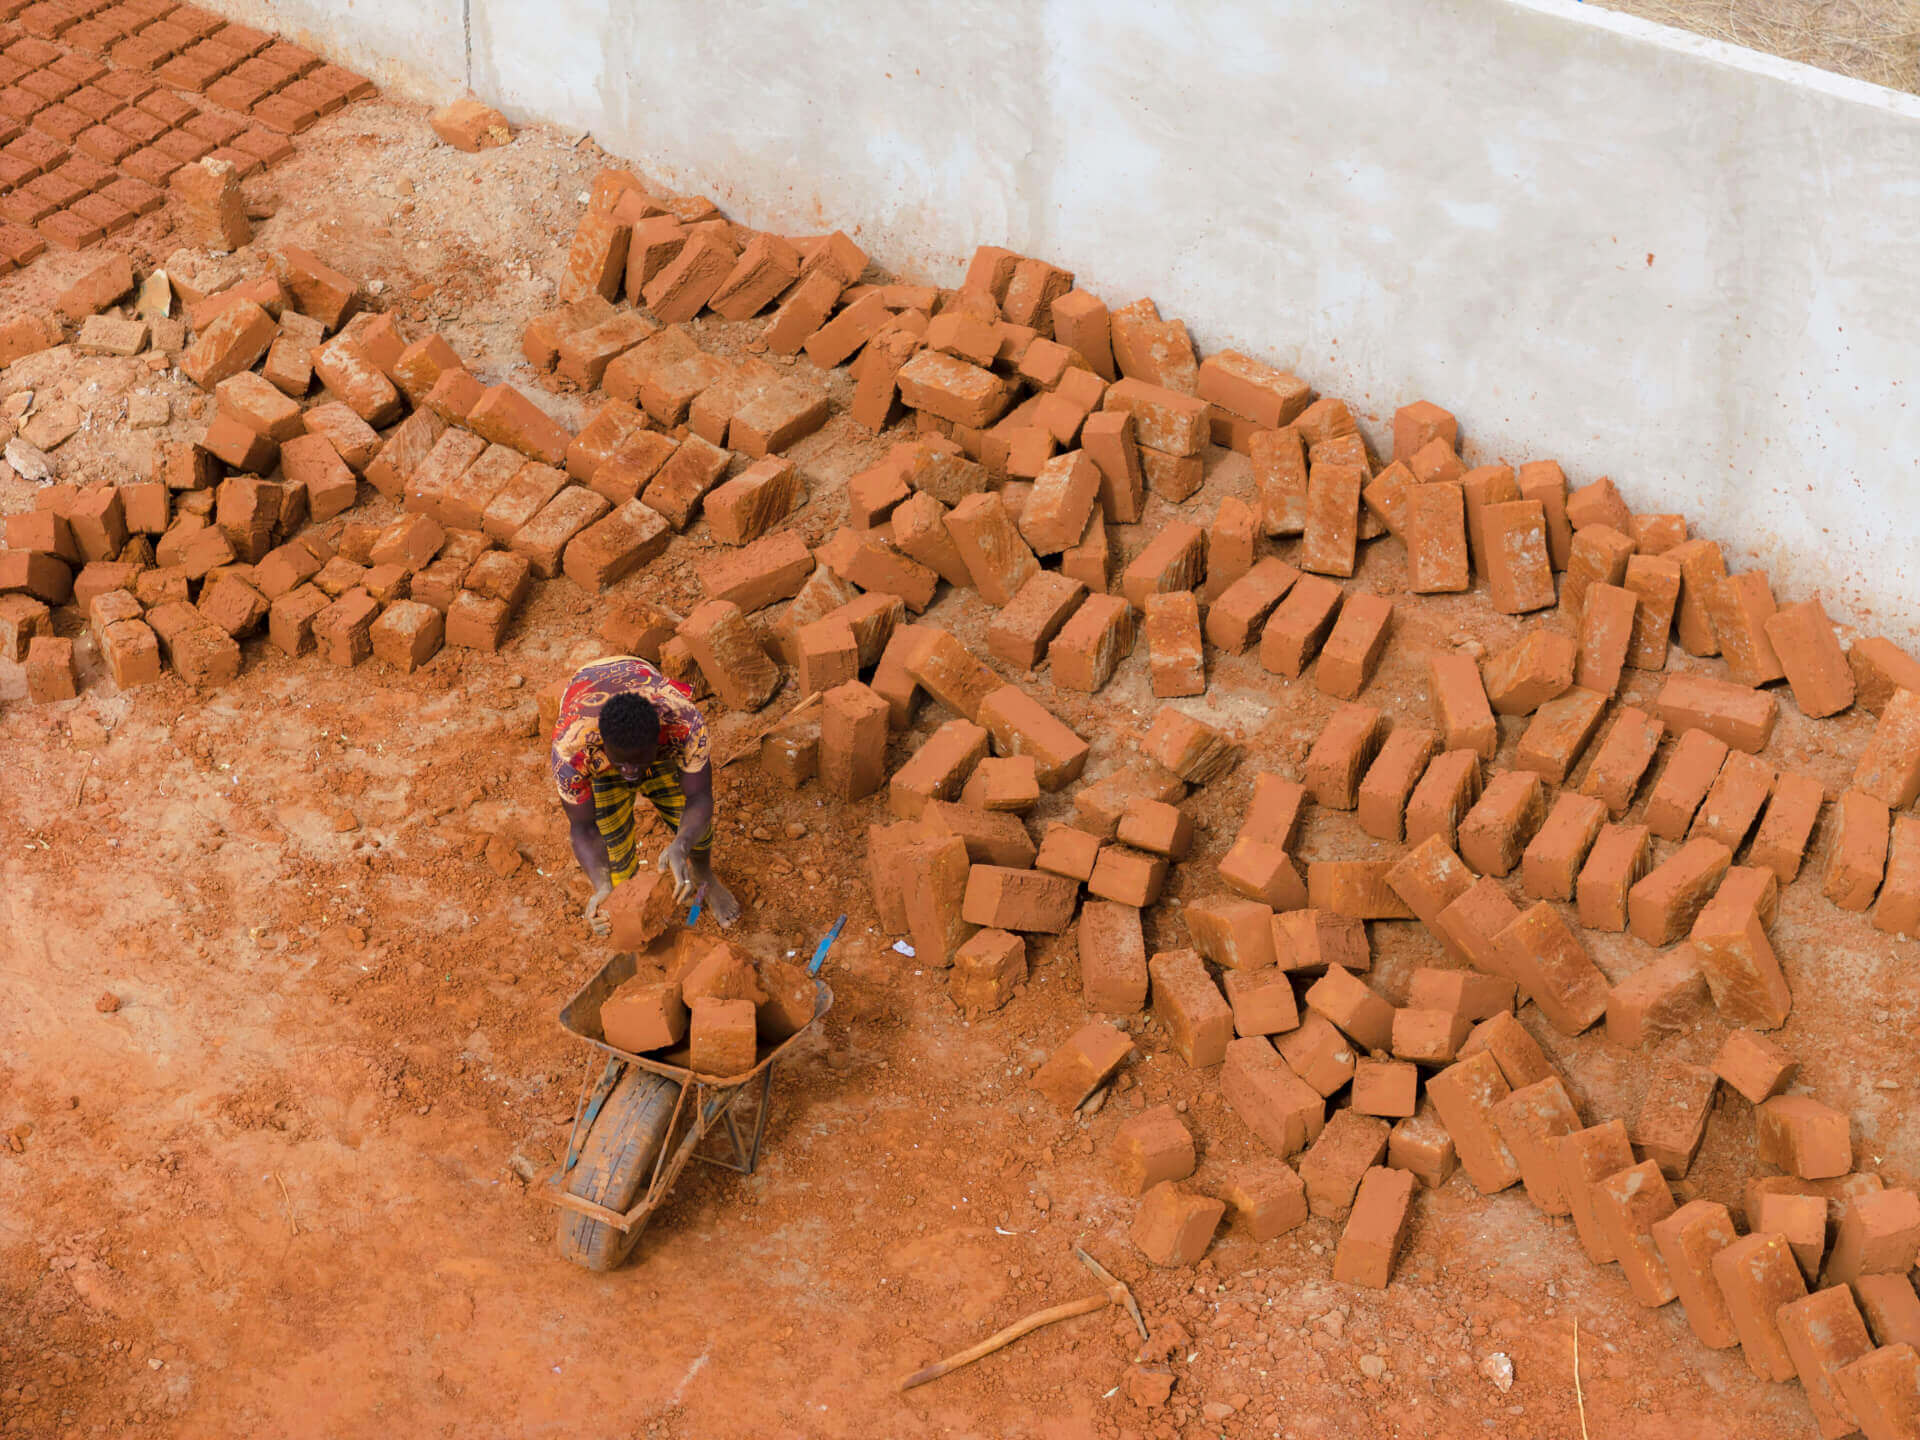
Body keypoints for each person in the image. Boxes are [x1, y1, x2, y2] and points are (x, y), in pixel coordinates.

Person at [549, 654, 740, 934]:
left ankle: (703, 874)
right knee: (614, 853)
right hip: (600, 754)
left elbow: (699, 798)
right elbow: (583, 828)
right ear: (604, 744)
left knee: (691, 825)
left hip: (652, 739)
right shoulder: (573, 751)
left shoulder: (684, 725)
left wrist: (682, 844)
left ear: (658, 740)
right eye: (622, 762)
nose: (629, 772)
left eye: (637, 762)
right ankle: (621, 897)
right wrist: (601, 884)